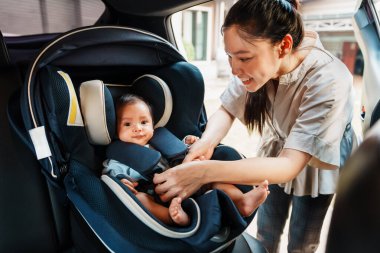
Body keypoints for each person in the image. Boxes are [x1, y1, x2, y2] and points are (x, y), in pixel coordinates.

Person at [153, 0, 354, 252]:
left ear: (284, 46)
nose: (234, 69)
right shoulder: (256, 64)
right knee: (266, 230)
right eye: (229, 55)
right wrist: (205, 144)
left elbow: (290, 164)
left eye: (244, 58)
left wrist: (204, 172)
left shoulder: (329, 79)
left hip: (317, 161)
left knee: (303, 242)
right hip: (277, 154)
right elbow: (227, 108)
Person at [103, 94, 269, 226]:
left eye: (144, 122)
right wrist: (122, 182)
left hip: (192, 182)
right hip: (158, 197)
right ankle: (173, 217)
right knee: (141, 200)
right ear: (115, 130)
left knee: (216, 182)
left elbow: (179, 156)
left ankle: (242, 202)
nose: (138, 128)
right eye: (127, 124)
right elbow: (111, 177)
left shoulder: (160, 142)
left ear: (153, 124)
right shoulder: (118, 159)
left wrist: (187, 144)